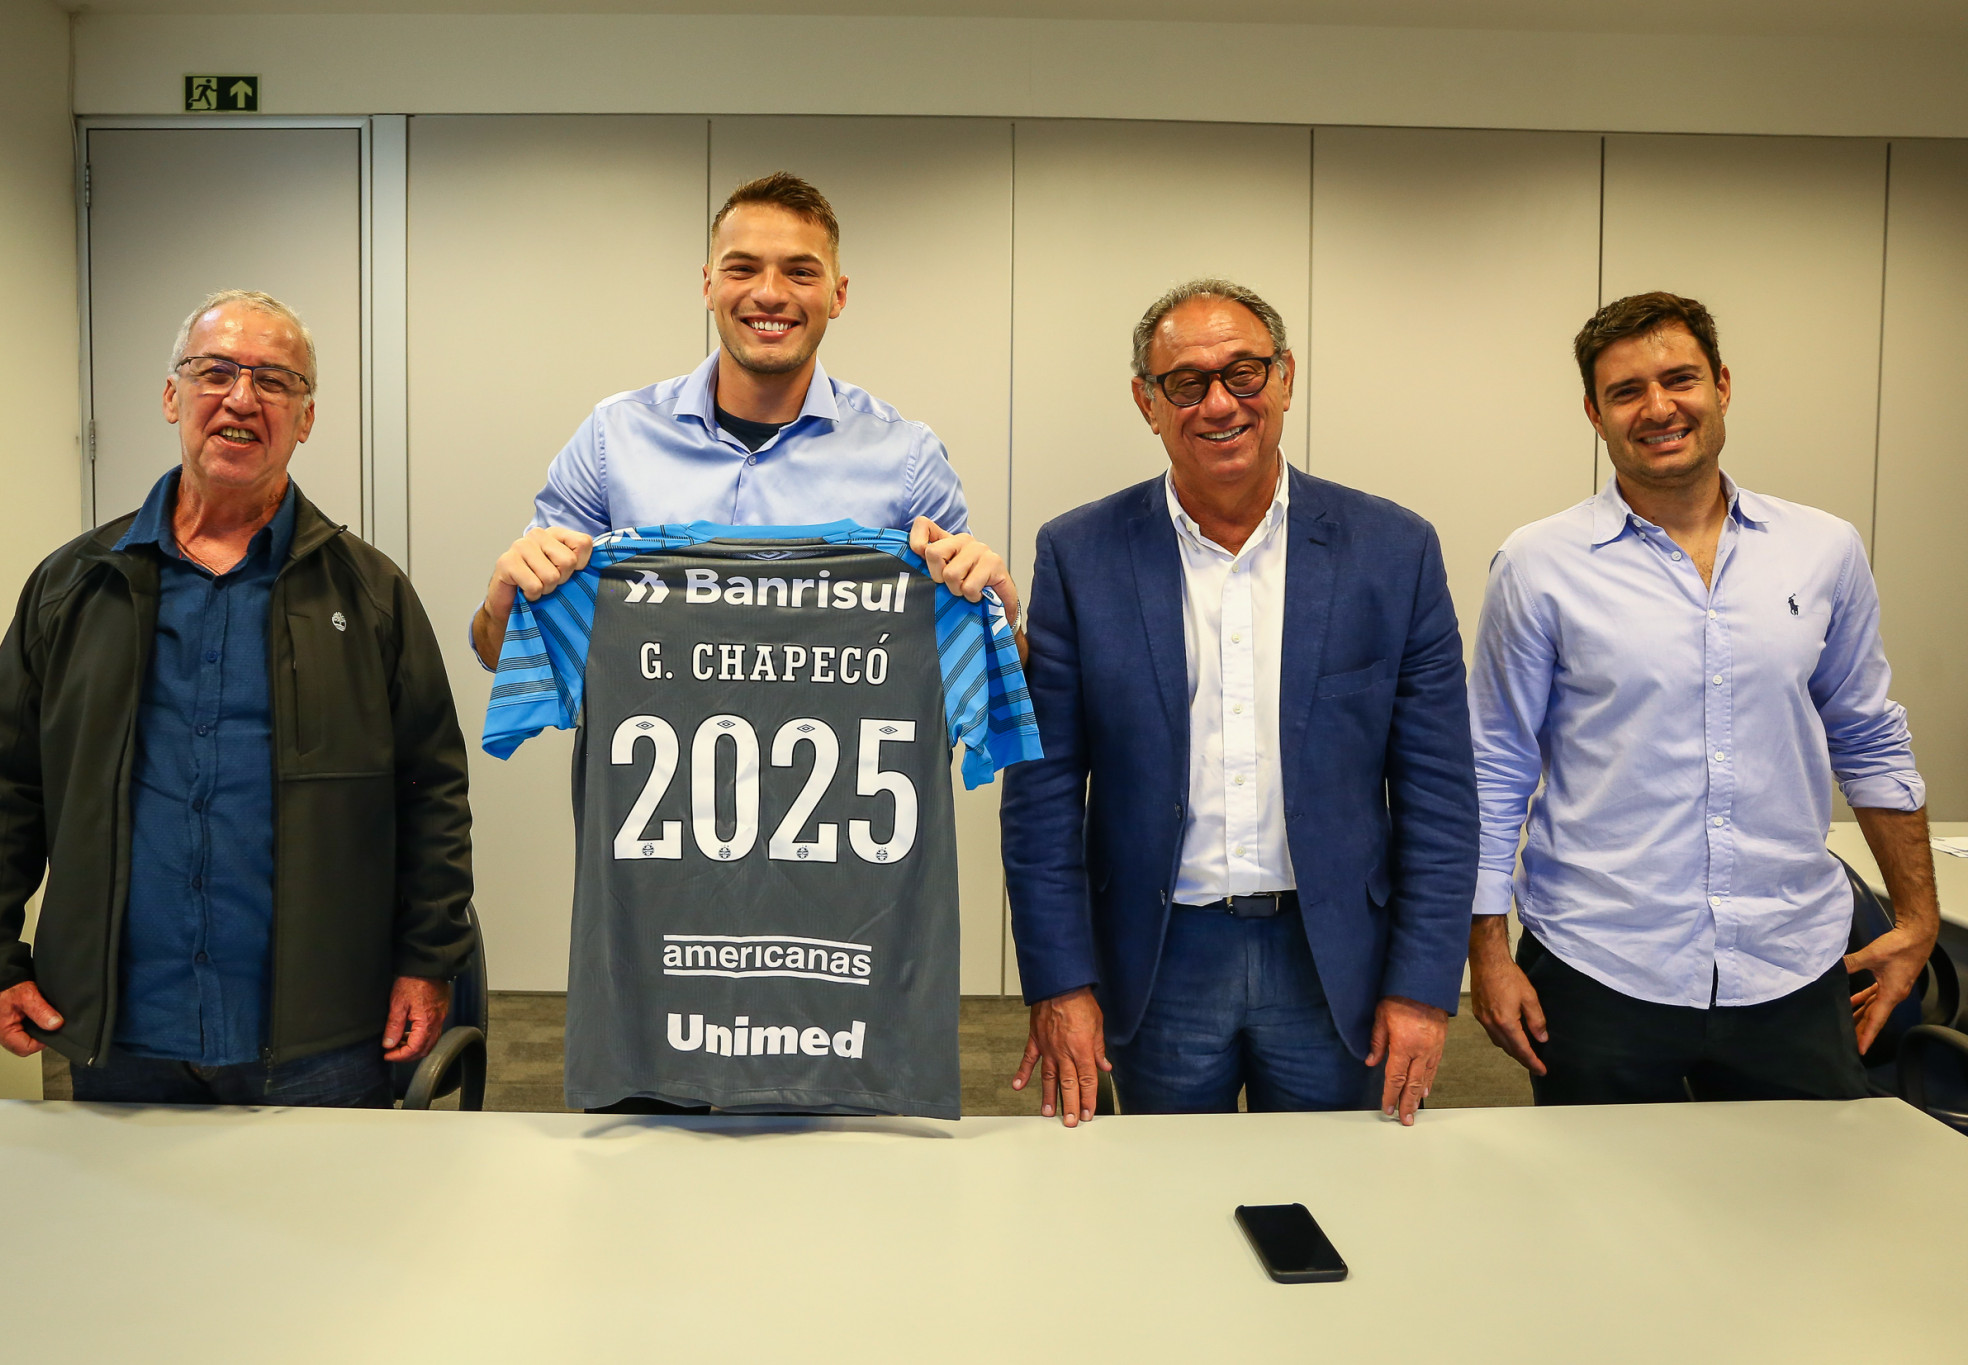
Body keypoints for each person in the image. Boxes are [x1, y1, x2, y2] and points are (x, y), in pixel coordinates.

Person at [472, 171, 1020, 1115]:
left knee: (841, 1181)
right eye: (743, 267)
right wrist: (504, 595)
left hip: (844, 915)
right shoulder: (612, 443)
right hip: (658, 905)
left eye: (800, 271)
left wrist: (998, 605)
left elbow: (987, 666)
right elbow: (502, 652)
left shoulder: (904, 460)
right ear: (707, 282)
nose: (771, 292)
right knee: (650, 1164)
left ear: (838, 293)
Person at [0, 289, 474, 1107]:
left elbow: (431, 790)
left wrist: (427, 958)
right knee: (122, 1202)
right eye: (214, 371)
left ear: (305, 418)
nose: (241, 397)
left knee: (330, 1200)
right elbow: (6, 786)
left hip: (322, 1036)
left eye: (274, 380)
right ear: (172, 396)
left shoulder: (371, 595)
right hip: (124, 1029)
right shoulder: (72, 586)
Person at [1000, 279, 1478, 1127]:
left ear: (1285, 378)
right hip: (1158, 961)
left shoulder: (1392, 551)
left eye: (1244, 373)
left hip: (1334, 962)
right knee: (1169, 1195)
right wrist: (1060, 981)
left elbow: (1439, 793)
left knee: (1336, 1192)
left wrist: (1422, 985)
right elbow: (1042, 794)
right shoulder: (1079, 555)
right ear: (1148, 402)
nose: (1219, 403)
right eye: (1187, 383)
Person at [1466, 290, 1938, 1105]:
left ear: (1721, 384)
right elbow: (1495, 764)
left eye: (1679, 379)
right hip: (1599, 963)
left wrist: (1917, 917)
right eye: (1626, 392)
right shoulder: (1539, 564)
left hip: (1792, 963)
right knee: (1598, 1186)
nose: (1658, 408)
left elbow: (1868, 737)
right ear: (1594, 413)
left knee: (1803, 1181)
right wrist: (1486, 948)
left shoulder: (1823, 549)